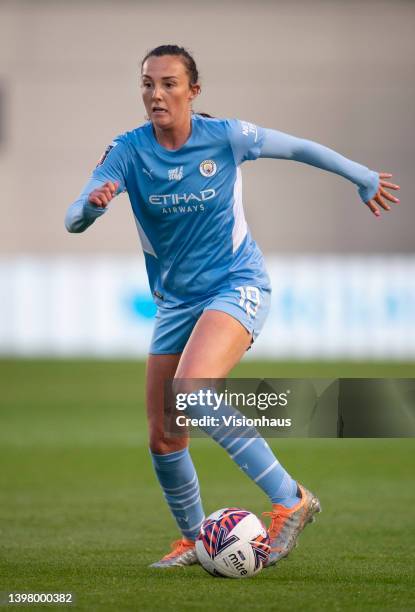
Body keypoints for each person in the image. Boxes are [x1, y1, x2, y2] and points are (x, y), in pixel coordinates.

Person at [65, 45, 400, 569]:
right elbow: (73, 215)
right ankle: (195, 542)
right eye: (148, 83)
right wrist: (89, 206)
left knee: (193, 391)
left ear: (193, 92)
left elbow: (299, 148)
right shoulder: (128, 151)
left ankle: (291, 499)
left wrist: (361, 175)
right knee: (163, 433)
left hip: (236, 284)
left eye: (170, 83)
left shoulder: (225, 136)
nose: (157, 93)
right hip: (175, 302)